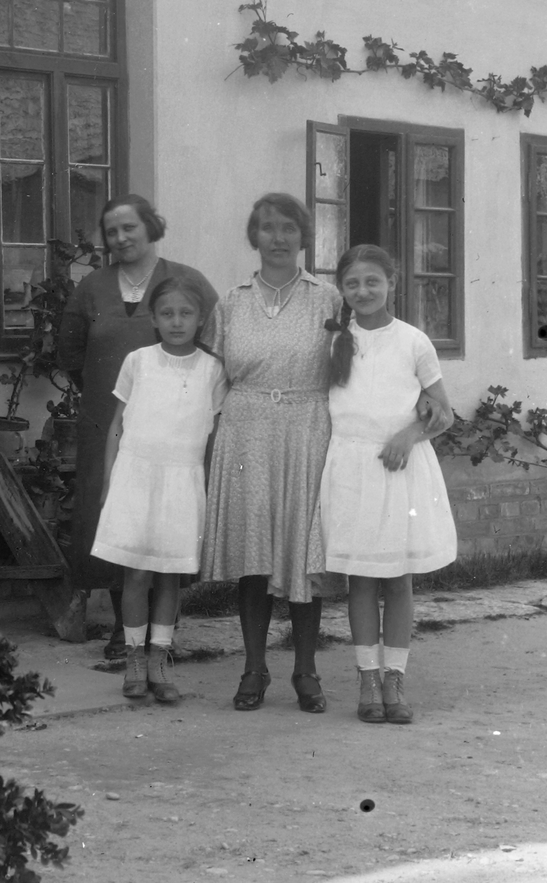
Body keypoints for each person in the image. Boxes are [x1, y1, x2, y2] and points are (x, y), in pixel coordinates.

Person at [58, 195, 219, 658]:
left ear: (151, 228)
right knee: (112, 518)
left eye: (130, 228)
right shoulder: (91, 287)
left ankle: (164, 631)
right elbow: (70, 355)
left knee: (168, 519)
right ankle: (121, 629)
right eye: (112, 231)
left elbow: (215, 345)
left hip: (175, 429)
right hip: (106, 419)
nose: (121, 238)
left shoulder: (187, 282)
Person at [201, 193, 343, 713]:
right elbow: (211, 379)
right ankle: (254, 668)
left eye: (288, 228)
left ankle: (306, 671)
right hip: (246, 432)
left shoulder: (328, 299)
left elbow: (354, 366)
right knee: (254, 555)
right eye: (267, 228)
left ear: (304, 236)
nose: (278, 237)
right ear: (253, 236)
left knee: (307, 555)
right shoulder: (232, 302)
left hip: (309, 429)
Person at [318, 244, 457, 724]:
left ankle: (395, 679)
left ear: (392, 284)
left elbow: (443, 412)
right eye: (353, 283)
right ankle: (367, 680)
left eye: (372, 281)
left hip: (399, 467)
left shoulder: (413, 341)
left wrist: (408, 433)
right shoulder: (335, 341)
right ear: (343, 289)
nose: (363, 291)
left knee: (397, 578)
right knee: (360, 579)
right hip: (353, 468)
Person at [91, 276, 226, 704]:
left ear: (201, 319)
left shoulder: (212, 370)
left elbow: (214, 438)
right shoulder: (139, 361)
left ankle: (160, 659)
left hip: (182, 480)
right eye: (167, 313)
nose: (177, 321)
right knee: (137, 573)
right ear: (153, 317)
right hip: (136, 477)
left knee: (170, 574)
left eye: (186, 313)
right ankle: (133, 659)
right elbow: (116, 426)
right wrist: (109, 480)